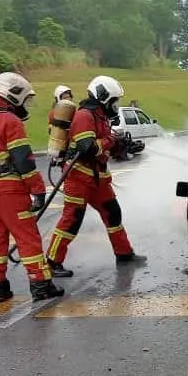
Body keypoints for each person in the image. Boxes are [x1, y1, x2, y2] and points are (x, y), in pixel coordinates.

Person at [45, 75, 146, 277]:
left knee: (113, 213)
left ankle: (124, 253)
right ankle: (52, 262)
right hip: (79, 179)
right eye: (115, 101)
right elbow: (87, 147)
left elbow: (104, 146)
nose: (116, 105)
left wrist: (123, 146)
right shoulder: (84, 116)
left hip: (97, 178)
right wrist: (111, 139)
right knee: (72, 220)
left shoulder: (99, 116)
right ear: (104, 97)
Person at [0, 72, 65, 303]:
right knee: (27, 236)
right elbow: (23, 160)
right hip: (9, 189)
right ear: (13, 95)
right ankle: (41, 284)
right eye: (25, 99)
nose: (26, 106)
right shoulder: (8, 120)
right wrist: (37, 189)